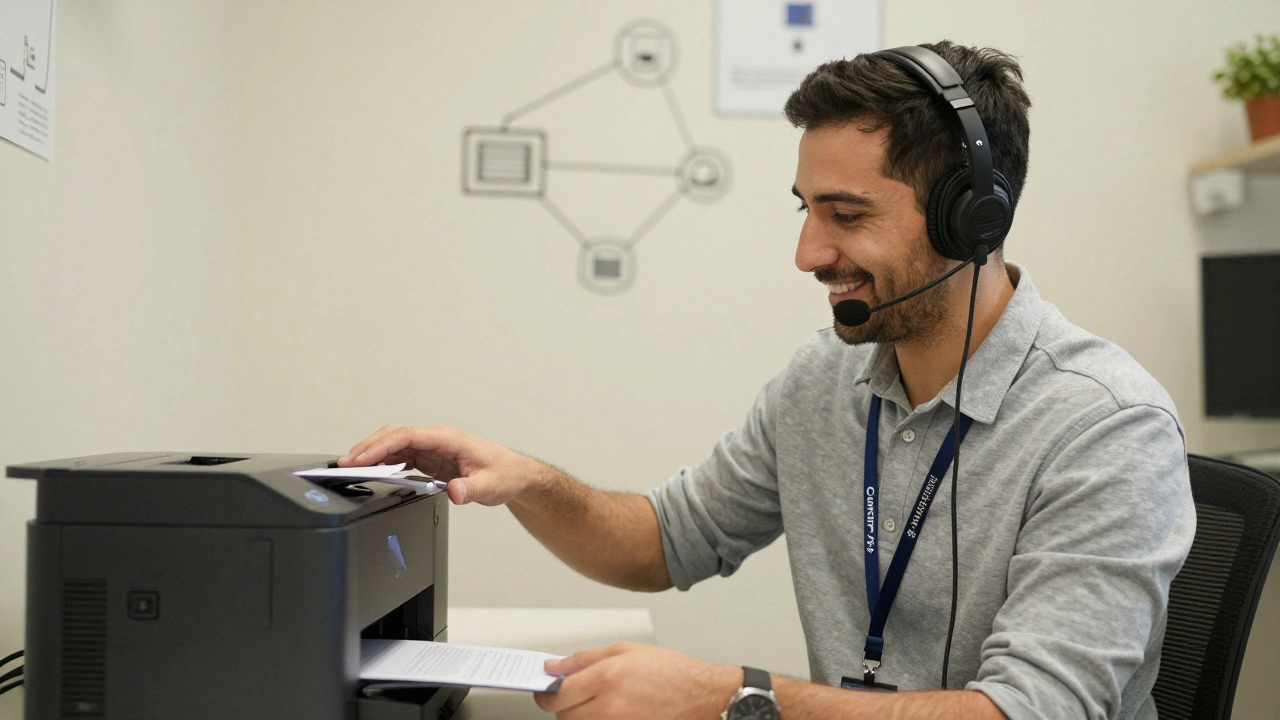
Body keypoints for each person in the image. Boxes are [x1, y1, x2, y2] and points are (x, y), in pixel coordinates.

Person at [341, 41, 1194, 720]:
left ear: (973, 218)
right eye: (806, 210)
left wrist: (728, 697)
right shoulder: (826, 379)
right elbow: (661, 542)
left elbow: (1031, 712)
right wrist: (525, 480)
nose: (808, 254)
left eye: (847, 216)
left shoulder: (1107, 428)